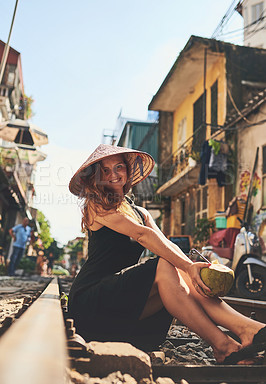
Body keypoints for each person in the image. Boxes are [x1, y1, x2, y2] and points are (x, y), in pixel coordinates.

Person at [68, 144, 266, 365]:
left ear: (128, 170)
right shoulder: (96, 206)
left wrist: (192, 268)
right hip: (90, 303)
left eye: (119, 167)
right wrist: (188, 267)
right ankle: (224, 344)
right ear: (96, 176)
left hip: (119, 306)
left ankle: (244, 330)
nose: (113, 174)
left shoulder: (140, 212)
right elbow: (143, 236)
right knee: (167, 266)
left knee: (182, 274)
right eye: (105, 170)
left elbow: (163, 242)